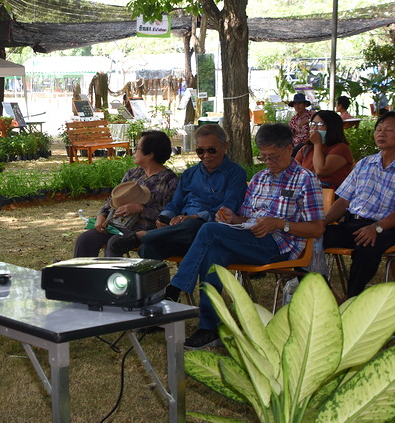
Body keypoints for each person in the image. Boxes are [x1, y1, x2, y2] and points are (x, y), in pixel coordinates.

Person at [164, 123, 324, 349]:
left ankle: (174, 289)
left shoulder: (306, 179)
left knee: (208, 230)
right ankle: (209, 327)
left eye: (273, 156)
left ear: (289, 149)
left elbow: (317, 229)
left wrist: (279, 224)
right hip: (249, 238)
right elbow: (244, 218)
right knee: (214, 253)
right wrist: (232, 218)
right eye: (264, 157)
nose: (268, 162)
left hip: (280, 246)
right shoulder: (260, 177)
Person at [109, 124, 247, 257]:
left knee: (194, 226)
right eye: (200, 151)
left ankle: (143, 236)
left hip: (208, 229)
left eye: (212, 150)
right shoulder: (189, 174)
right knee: (148, 249)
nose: (206, 155)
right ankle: (153, 248)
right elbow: (175, 203)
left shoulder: (235, 174)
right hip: (181, 231)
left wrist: (194, 217)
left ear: (225, 146)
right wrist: (164, 218)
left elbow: (227, 208)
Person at [323, 111, 395, 298]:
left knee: (367, 249)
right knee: (309, 239)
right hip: (352, 223)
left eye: (388, 130)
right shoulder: (365, 163)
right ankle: (327, 296)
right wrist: (321, 222)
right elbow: (344, 200)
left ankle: (351, 300)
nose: (381, 134)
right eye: (378, 129)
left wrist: (376, 227)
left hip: (384, 227)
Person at [72, 130, 178, 257]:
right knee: (85, 239)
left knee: (114, 243)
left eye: (137, 148)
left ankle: (113, 271)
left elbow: (170, 214)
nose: (134, 151)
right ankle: (80, 270)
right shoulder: (133, 174)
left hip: (143, 230)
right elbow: (113, 199)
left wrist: (142, 209)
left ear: (150, 154)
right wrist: (101, 215)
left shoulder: (169, 180)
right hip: (116, 225)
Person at [295, 110, 354, 189]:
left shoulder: (341, 148)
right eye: (313, 124)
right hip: (306, 191)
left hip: (328, 193)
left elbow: (320, 170)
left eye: (320, 124)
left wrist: (317, 144)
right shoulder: (306, 149)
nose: (315, 128)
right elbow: (294, 171)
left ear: (332, 127)